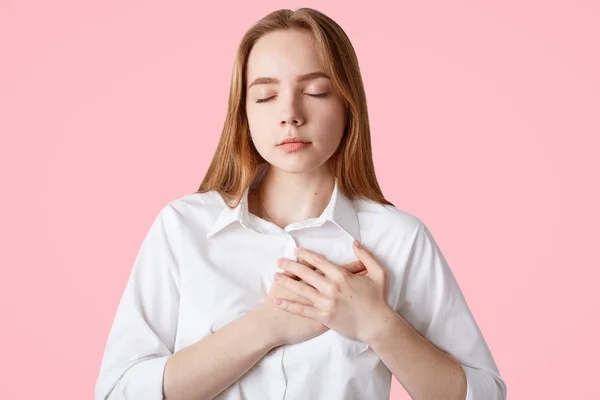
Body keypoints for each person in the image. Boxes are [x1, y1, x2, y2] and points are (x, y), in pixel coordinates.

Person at [94, 7, 506, 400]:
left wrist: (377, 324)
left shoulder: (398, 239)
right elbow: (117, 392)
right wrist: (268, 325)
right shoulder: (182, 227)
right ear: (243, 115)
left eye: (316, 91)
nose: (290, 114)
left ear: (347, 106)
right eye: (266, 96)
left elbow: (484, 394)